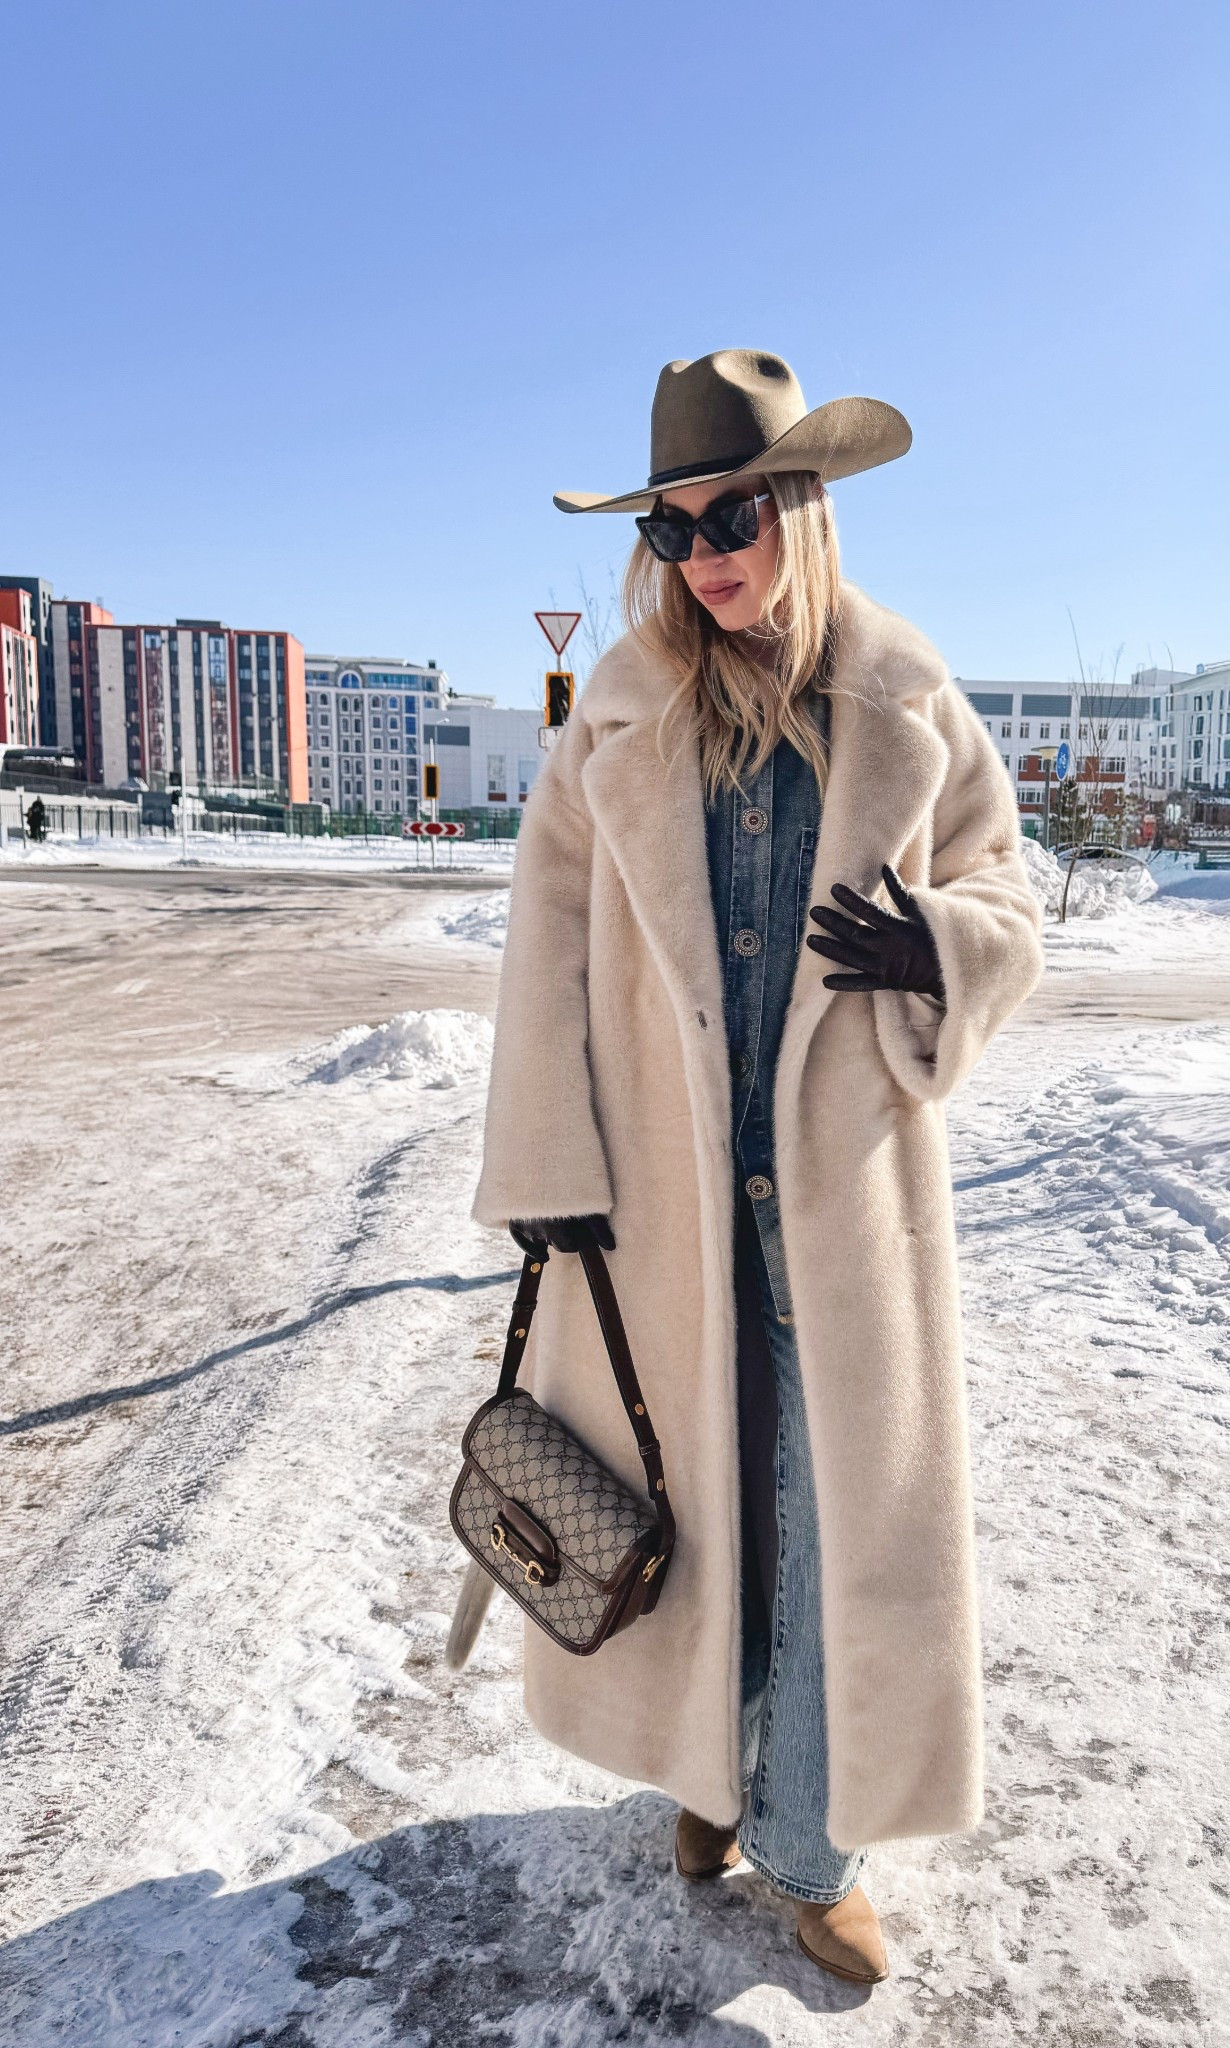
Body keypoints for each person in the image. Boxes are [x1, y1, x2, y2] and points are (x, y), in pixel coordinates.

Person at [473, 349, 1044, 1985]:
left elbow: (1009, 892)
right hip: (660, 1199)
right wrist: (544, 1164)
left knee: (828, 1518)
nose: (706, 554)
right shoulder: (624, 720)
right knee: (686, 1497)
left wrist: (938, 939)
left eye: (732, 514)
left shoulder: (904, 693)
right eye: (673, 528)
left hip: (843, 1203)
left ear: (799, 508)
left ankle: (810, 1841)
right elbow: (548, 951)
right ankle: (709, 1781)